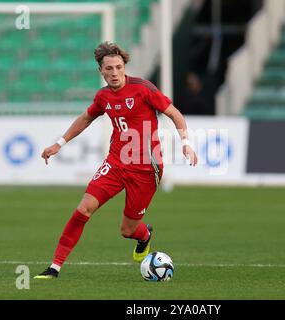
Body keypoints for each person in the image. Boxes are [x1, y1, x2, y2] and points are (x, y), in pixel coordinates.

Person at [34, 41, 198, 279]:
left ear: (124, 67)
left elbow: (174, 114)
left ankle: (144, 236)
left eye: (118, 67)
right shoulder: (102, 96)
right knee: (84, 209)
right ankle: (54, 268)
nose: (114, 73)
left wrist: (186, 143)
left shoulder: (143, 88)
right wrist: (59, 143)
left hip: (146, 170)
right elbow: (86, 118)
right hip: (116, 163)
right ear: (101, 70)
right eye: (108, 69)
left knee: (127, 230)